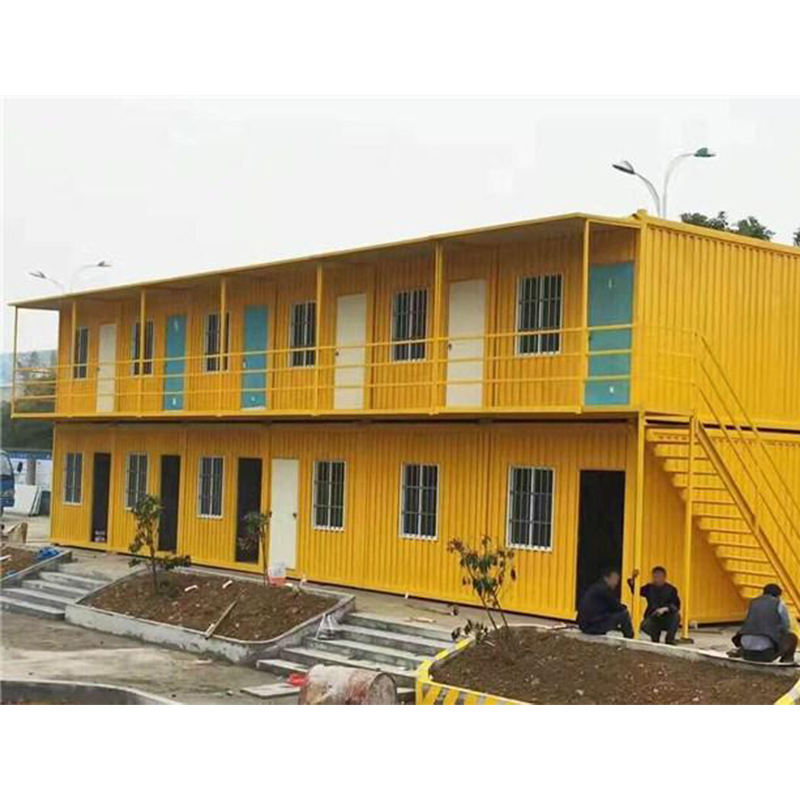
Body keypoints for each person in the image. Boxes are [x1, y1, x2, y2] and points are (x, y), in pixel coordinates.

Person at [729, 584, 798, 664]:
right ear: (778, 595)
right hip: (764, 655)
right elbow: (786, 626)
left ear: (763, 593)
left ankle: (740, 651)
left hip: (746, 653)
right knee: (792, 638)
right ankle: (787, 660)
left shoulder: (753, 602)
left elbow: (747, 622)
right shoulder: (779, 603)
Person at [627, 566, 681, 645]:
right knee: (645, 625)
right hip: (653, 616)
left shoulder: (671, 589)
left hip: (667, 617)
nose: (657, 579)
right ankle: (655, 637)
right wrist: (633, 578)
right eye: (655, 577)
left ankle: (669, 639)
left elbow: (676, 605)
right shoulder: (649, 587)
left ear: (664, 577)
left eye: (659, 577)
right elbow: (636, 591)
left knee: (676, 616)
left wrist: (666, 608)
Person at [577, 567, 634, 638]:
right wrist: (625, 607)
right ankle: (629, 638)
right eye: (615, 580)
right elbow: (618, 607)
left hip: (584, 626)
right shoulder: (604, 590)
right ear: (606, 578)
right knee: (624, 614)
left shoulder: (596, 587)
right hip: (592, 627)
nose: (616, 583)